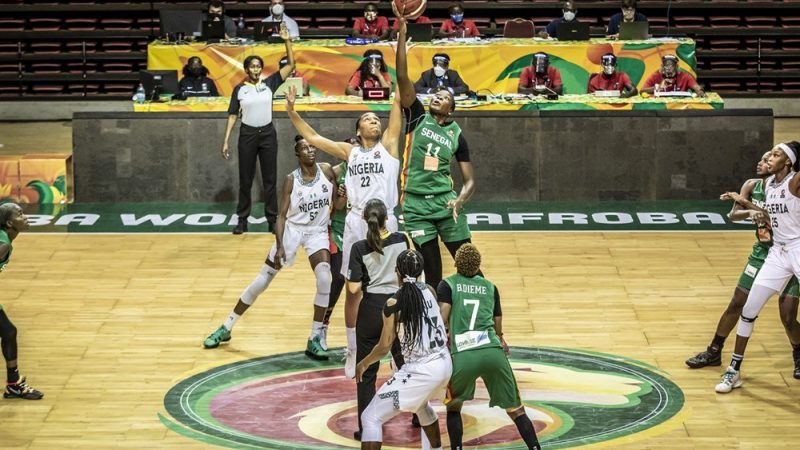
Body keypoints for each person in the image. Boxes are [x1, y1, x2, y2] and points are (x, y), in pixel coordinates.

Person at [286, 86, 403, 379]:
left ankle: (399, 353)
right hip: (356, 220)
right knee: (354, 291)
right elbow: (313, 138)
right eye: (368, 118)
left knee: (397, 289)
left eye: (377, 118)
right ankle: (352, 350)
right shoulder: (350, 152)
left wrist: (401, 44)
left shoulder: (388, 145)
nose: (375, 121)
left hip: (386, 220)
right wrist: (291, 112)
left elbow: (399, 101)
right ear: (358, 128)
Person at [203, 136, 337, 361]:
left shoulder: (327, 170)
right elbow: (281, 216)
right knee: (262, 280)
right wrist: (280, 245)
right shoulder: (290, 180)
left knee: (325, 279)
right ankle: (226, 327)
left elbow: (340, 193)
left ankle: (314, 338)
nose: (310, 150)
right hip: (293, 230)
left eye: (312, 146)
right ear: (297, 154)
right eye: (305, 148)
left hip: (317, 231)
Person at [687, 151, 800, 380]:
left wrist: (759, 212)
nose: (762, 162)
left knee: (787, 316)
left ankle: (798, 354)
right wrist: (749, 210)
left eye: (768, 159)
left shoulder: (788, 186)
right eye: (761, 159)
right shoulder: (752, 185)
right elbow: (733, 215)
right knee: (737, 302)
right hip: (763, 254)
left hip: (789, 251)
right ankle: (714, 350)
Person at [396, 18, 477, 293]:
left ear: (451, 109)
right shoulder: (417, 117)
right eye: (434, 95)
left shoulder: (457, 135)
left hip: (445, 204)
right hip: (416, 206)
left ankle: (476, 325)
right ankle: (436, 331)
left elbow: (469, 181)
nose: (436, 97)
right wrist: (401, 38)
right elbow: (402, 79)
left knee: (470, 267)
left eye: (443, 97)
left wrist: (460, 200)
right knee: (433, 276)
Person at [438, 243, 542, 450]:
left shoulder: (447, 285)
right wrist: (501, 338)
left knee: (454, 407)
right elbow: (497, 321)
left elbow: (442, 318)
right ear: (478, 266)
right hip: (492, 352)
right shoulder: (490, 287)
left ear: (457, 263)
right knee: (517, 410)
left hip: (464, 355)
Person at [716, 141, 800, 393]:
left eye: (776, 155)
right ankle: (733, 371)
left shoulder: (795, 181)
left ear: (788, 162)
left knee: (787, 315)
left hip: (798, 247)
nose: (769, 158)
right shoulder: (769, 185)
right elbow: (766, 212)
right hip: (778, 252)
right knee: (749, 308)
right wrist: (742, 200)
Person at [355, 249, 452, 450]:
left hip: (422, 370)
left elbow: (384, 347)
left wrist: (364, 363)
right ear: (421, 272)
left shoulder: (393, 303)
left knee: (370, 417)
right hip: (444, 363)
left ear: (396, 271)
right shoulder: (430, 291)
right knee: (421, 406)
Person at [222, 24, 295, 235]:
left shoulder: (270, 83)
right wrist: (226, 140)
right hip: (247, 134)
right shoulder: (239, 89)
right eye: (252, 66)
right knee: (245, 179)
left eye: (258, 66)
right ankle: (242, 220)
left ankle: (272, 220)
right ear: (246, 69)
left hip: (267, 135)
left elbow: (291, 65)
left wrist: (286, 40)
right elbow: (233, 115)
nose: (255, 69)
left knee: (269, 179)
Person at [348, 198, 410, 441]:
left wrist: (362, 279)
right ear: (387, 219)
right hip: (400, 306)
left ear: (366, 220)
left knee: (366, 372)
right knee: (405, 364)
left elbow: (353, 289)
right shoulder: (402, 239)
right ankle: (418, 414)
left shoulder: (359, 248)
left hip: (372, 309)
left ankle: (366, 429)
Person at [0, 203, 44, 400]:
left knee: (9, 332)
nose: (25, 217)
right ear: (9, 223)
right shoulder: (3, 245)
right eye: (20, 214)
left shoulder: (5, 239)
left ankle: (14, 384)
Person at [641, 55, 705, 97]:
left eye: (671, 66)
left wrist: (699, 90)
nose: (668, 68)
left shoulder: (685, 76)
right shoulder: (655, 76)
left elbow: (696, 87)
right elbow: (642, 91)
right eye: (666, 65)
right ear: (662, 67)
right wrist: (658, 87)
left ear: (677, 67)